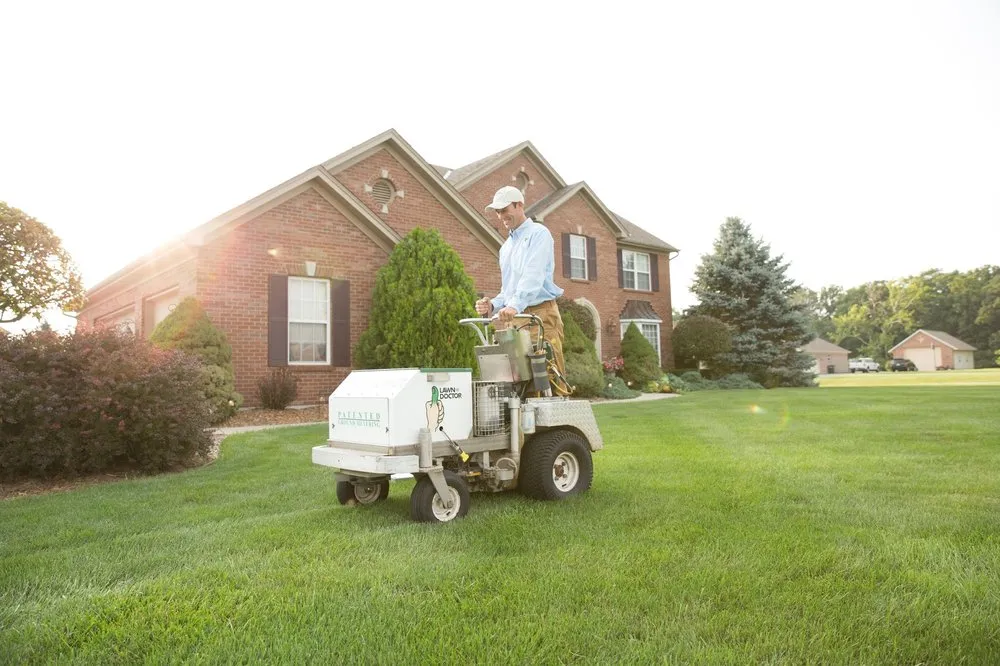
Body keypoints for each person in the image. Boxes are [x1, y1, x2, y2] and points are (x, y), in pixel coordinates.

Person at [475, 185, 568, 390]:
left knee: (548, 379)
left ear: (519, 205)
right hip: (513, 319)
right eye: (497, 212)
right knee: (518, 383)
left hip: (540, 316)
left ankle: (558, 421)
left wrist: (514, 305)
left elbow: (532, 277)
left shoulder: (539, 234)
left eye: (504, 210)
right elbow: (508, 290)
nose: (500, 216)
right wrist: (493, 305)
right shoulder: (506, 247)